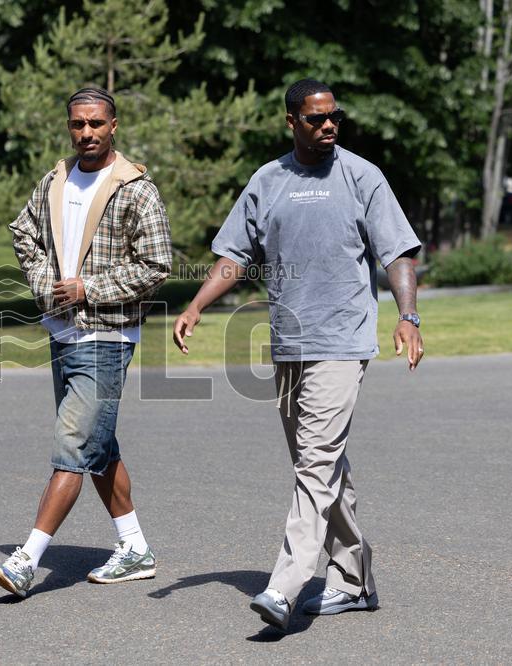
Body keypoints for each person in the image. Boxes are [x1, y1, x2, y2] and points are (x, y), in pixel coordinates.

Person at [172, 78, 424, 629]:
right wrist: (195, 305)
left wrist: (407, 316)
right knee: (321, 464)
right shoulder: (269, 180)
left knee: (315, 462)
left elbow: (398, 251)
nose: (328, 125)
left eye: (334, 116)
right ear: (292, 122)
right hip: (289, 344)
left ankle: (284, 588)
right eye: (316, 118)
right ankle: (354, 581)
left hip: (343, 340)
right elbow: (234, 255)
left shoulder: (363, 176)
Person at [0, 87, 173, 598]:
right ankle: (134, 549)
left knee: (71, 445)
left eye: (95, 123)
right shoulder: (56, 178)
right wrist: (47, 280)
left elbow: (158, 264)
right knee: (96, 444)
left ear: (114, 125)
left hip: (107, 336)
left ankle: (27, 560)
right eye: (77, 124)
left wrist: (90, 287)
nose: (86, 132)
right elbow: (22, 231)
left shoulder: (137, 189)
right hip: (61, 333)